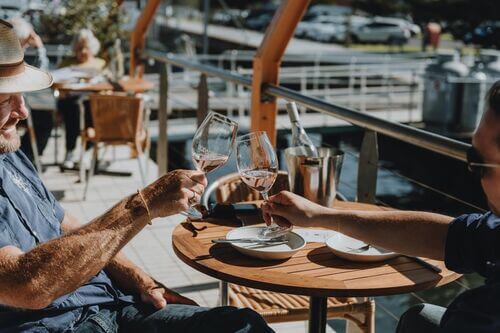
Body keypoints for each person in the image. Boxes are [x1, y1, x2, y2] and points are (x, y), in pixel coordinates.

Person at [0, 20, 273, 333]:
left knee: (242, 325)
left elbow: (62, 222)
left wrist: (135, 275)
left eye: (21, 96)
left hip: (111, 306)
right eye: (7, 98)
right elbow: (27, 285)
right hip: (57, 326)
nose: (23, 112)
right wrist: (142, 205)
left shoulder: (9, 154)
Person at [262, 81, 500, 333]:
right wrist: (320, 215)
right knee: (419, 318)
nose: (472, 173)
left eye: (478, 162)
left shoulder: (484, 316)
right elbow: (448, 237)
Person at [58, 29, 106, 169]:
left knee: (90, 107)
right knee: (73, 108)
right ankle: (71, 150)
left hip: (92, 102)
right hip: (70, 101)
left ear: (92, 49)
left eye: (86, 48)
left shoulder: (100, 64)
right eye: (79, 48)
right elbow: (56, 82)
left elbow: (107, 85)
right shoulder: (67, 63)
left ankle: (87, 151)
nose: (83, 52)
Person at [9, 17, 53, 165]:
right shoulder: (11, 57)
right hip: (9, 108)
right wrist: (40, 48)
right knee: (45, 120)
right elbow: (39, 78)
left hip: (11, 106)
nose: (27, 45)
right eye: (26, 41)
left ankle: (26, 156)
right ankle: (27, 158)